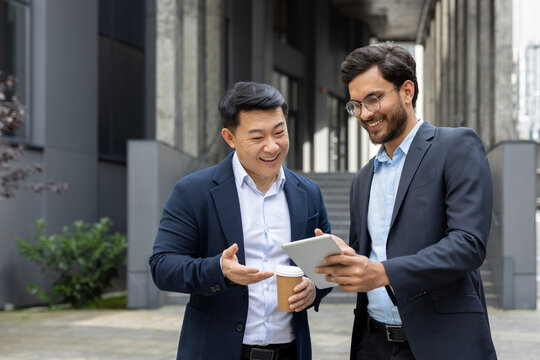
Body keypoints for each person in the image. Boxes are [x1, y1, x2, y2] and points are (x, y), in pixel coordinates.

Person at [315, 43, 497, 360]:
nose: (365, 114)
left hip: (443, 345)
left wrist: (385, 272)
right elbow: (369, 260)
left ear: (407, 91)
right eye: (356, 104)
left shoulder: (455, 147)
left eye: (374, 99)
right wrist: (343, 257)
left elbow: (468, 244)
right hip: (373, 344)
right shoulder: (362, 179)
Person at [149, 81, 331, 360]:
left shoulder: (308, 193)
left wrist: (313, 288)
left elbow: (325, 268)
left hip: (291, 352)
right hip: (217, 352)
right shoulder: (194, 191)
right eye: (257, 137)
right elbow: (162, 266)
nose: (272, 146)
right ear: (230, 137)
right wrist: (219, 270)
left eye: (280, 132)